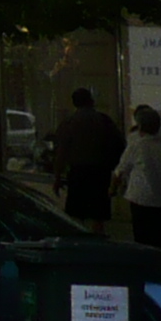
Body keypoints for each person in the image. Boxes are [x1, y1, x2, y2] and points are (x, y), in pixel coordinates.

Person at [48, 88, 125, 232]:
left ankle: (81, 240)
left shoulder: (69, 123)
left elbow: (61, 153)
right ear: (91, 101)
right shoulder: (104, 120)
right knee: (98, 214)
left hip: (78, 172)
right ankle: (98, 239)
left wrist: (57, 177)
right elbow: (119, 145)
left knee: (77, 214)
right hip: (100, 171)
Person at [113, 104, 161, 251]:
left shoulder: (137, 143)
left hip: (141, 198)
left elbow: (121, 168)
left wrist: (113, 188)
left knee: (142, 239)